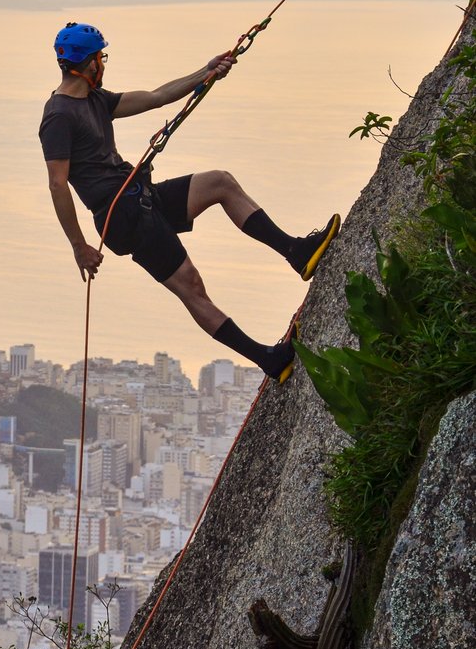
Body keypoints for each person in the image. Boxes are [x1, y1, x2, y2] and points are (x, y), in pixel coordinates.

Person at [38, 22, 340, 382]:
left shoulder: (96, 100)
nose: (104, 63)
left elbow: (157, 96)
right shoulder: (58, 116)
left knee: (220, 183)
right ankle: (269, 360)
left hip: (139, 196)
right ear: (89, 63)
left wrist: (207, 71)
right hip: (122, 218)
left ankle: (297, 252)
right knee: (191, 286)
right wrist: (78, 246)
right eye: (101, 57)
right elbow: (58, 184)